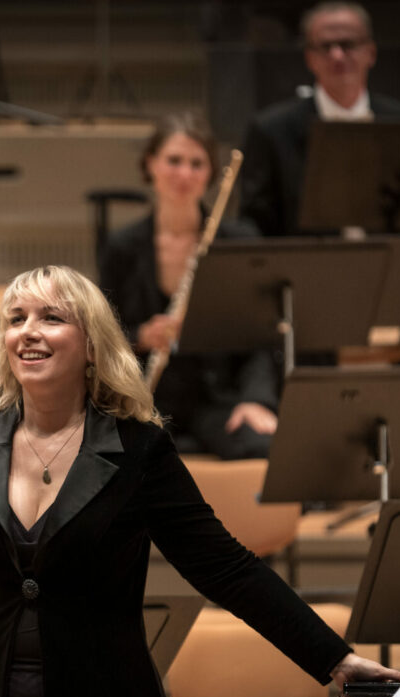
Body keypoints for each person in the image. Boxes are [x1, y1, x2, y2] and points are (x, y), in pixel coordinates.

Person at [0, 265, 400, 697]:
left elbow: (226, 568)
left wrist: (333, 658)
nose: (29, 330)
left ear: (91, 346)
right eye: (16, 318)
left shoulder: (139, 451)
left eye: (51, 317)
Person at [238, 1, 400, 363]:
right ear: (310, 58)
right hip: (311, 281)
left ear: (370, 53)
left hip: (390, 275)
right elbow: (254, 219)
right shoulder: (271, 130)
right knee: (287, 337)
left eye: (348, 44)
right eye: (325, 46)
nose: (337, 55)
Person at [98, 113, 278, 459]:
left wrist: (256, 400)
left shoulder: (237, 243)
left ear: (211, 173)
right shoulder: (122, 247)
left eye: (197, 164)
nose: (184, 174)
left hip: (218, 400)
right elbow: (102, 337)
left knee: (263, 445)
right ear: (150, 164)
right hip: (148, 399)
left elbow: (263, 335)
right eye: (174, 160)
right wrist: (142, 336)